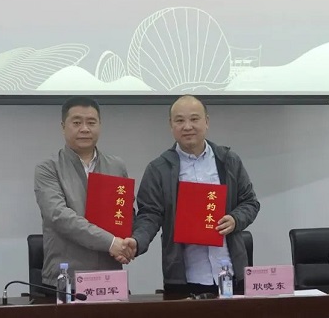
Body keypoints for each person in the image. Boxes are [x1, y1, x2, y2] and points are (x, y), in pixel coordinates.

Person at [129, 95, 260, 296]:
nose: (187, 126)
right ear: (171, 125)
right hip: (184, 276)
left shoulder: (228, 161)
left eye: (194, 119)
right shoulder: (158, 169)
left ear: (206, 121)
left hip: (230, 270)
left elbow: (250, 202)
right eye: (180, 120)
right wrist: (137, 242)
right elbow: (149, 214)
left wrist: (235, 219)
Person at [34, 96, 134, 290]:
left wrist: (129, 243)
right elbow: (59, 216)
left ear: (100, 125)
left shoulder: (116, 166)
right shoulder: (48, 168)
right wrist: (111, 243)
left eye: (91, 122)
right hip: (66, 278)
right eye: (77, 123)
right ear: (63, 126)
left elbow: (125, 212)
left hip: (109, 277)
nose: (85, 129)